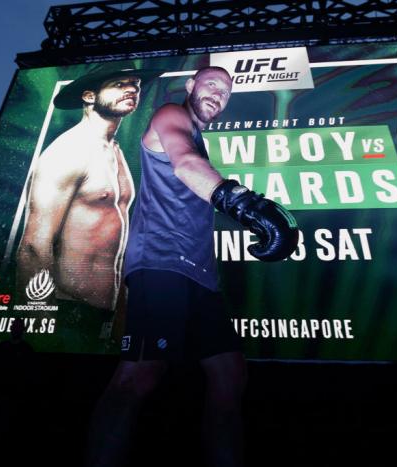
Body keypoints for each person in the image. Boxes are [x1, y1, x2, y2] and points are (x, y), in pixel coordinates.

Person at [86, 66, 299, 467]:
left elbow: (193, 167)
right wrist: (247, 206)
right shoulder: (172, 116)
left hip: (200, 278)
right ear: (191, 87)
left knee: (230, 375)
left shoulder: (200, 141)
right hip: (162, 264)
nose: (218, 94)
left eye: (226, 91)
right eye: (211, 84)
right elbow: (183, 162)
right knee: (138, 376)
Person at [16, 64, 161, 343]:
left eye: (135, 84)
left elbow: (116, 248)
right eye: (119, 84)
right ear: (89, 96)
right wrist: (41, 328)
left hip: (102, 319)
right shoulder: (69, 151)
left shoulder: (114, 150)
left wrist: (119, 323)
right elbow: (34, 245)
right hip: (65, 313)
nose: (132, 89)